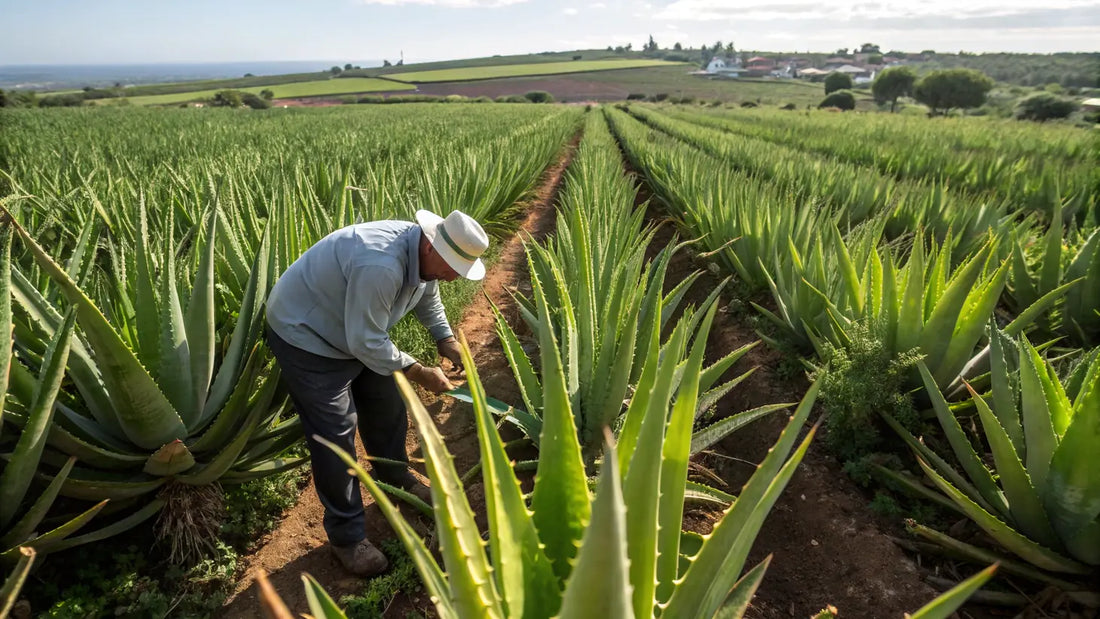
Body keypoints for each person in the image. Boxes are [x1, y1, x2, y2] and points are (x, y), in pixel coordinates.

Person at [264, 209, 489, 576]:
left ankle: (395, 476)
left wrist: (445, 339)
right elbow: (366, 341)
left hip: (351, 330)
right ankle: (347, 537)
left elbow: (427, 295)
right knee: (335, 434)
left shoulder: (425, 255)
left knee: (386, 404)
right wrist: (418, 371)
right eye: (452, 268)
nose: (452, 278)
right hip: (306, 333)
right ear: (432, 246)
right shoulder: (381, 265)